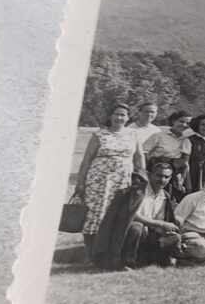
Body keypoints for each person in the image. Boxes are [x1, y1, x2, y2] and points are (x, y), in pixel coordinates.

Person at [75, 103, 146, 253]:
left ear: (128, 118)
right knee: (95, 216)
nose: (119, 118)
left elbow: (139, 157)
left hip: (123, 182)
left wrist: (142, 178)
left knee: (117, 215)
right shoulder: (99, 135)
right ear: (110, 116)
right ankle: (90, 253)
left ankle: (110, 252)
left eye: (123, 115)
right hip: (99, 181)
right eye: (116, 114)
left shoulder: (133, 134)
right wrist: (80, 183)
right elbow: (87, 160)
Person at [91, 166, 180, 270]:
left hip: (152, 235)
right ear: (149, 175)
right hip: (127, 235)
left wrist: (167, 229)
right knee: (136, 227)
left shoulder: (165, 196)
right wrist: (160, 224)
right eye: (158, 175)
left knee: (174, 236)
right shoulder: (136, 192)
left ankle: (160, 259)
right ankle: (126, 263)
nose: (162, 180)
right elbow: (132, 216)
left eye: (166, 177)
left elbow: (166, 219)